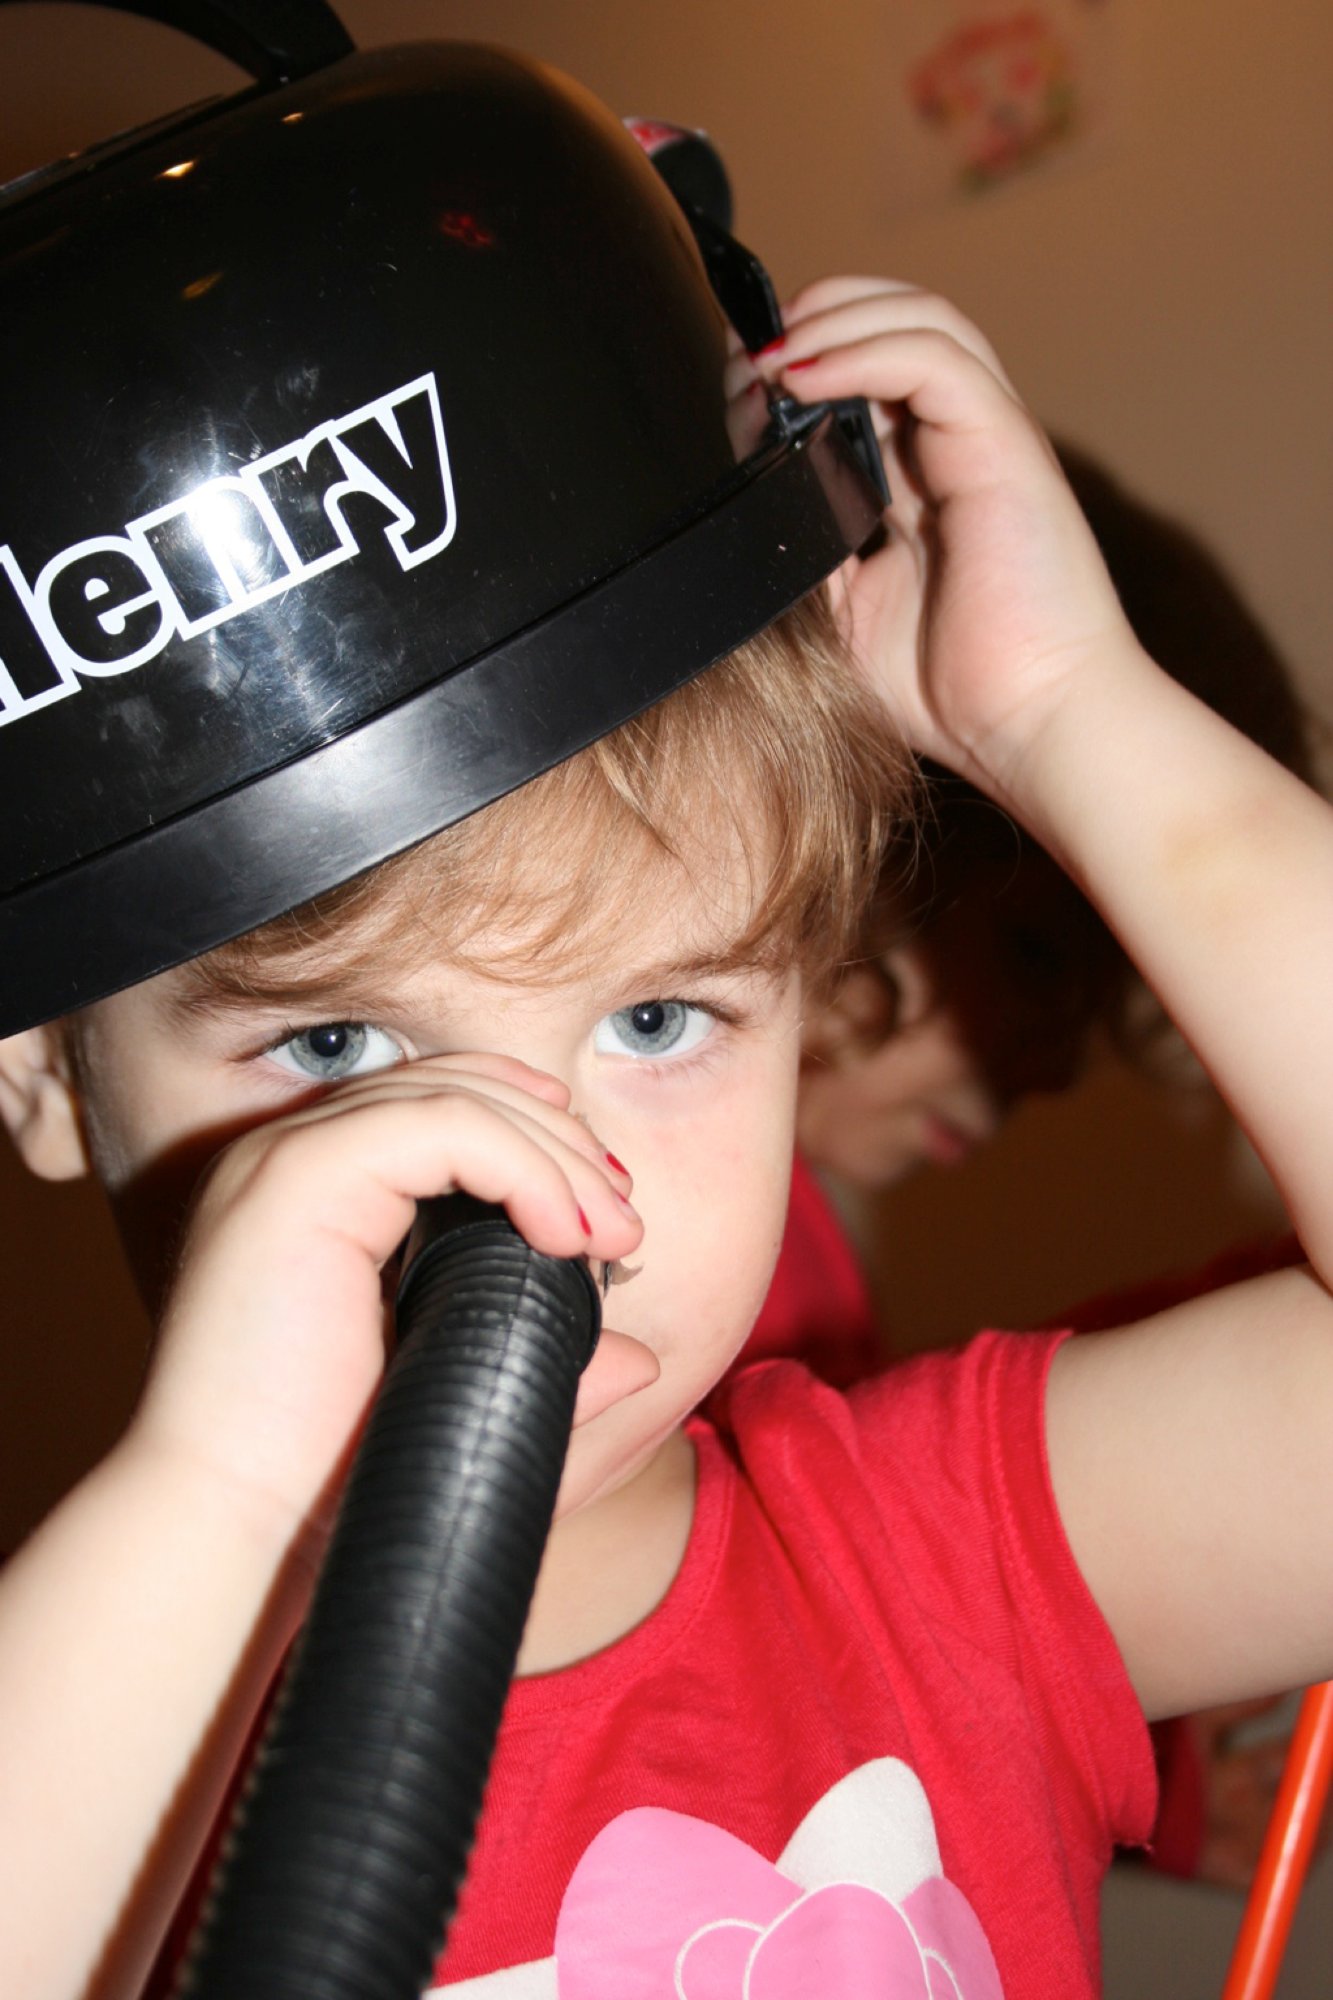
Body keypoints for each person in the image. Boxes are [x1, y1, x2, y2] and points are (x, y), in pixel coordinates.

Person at [3, 268, 1333, 2000]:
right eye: (338, 1042)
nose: (536, 1203)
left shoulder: (943, 1565)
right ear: (39, 1064)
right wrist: (226, 1497)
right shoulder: (87, 1773)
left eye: (655, 1020)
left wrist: (1063, 709)